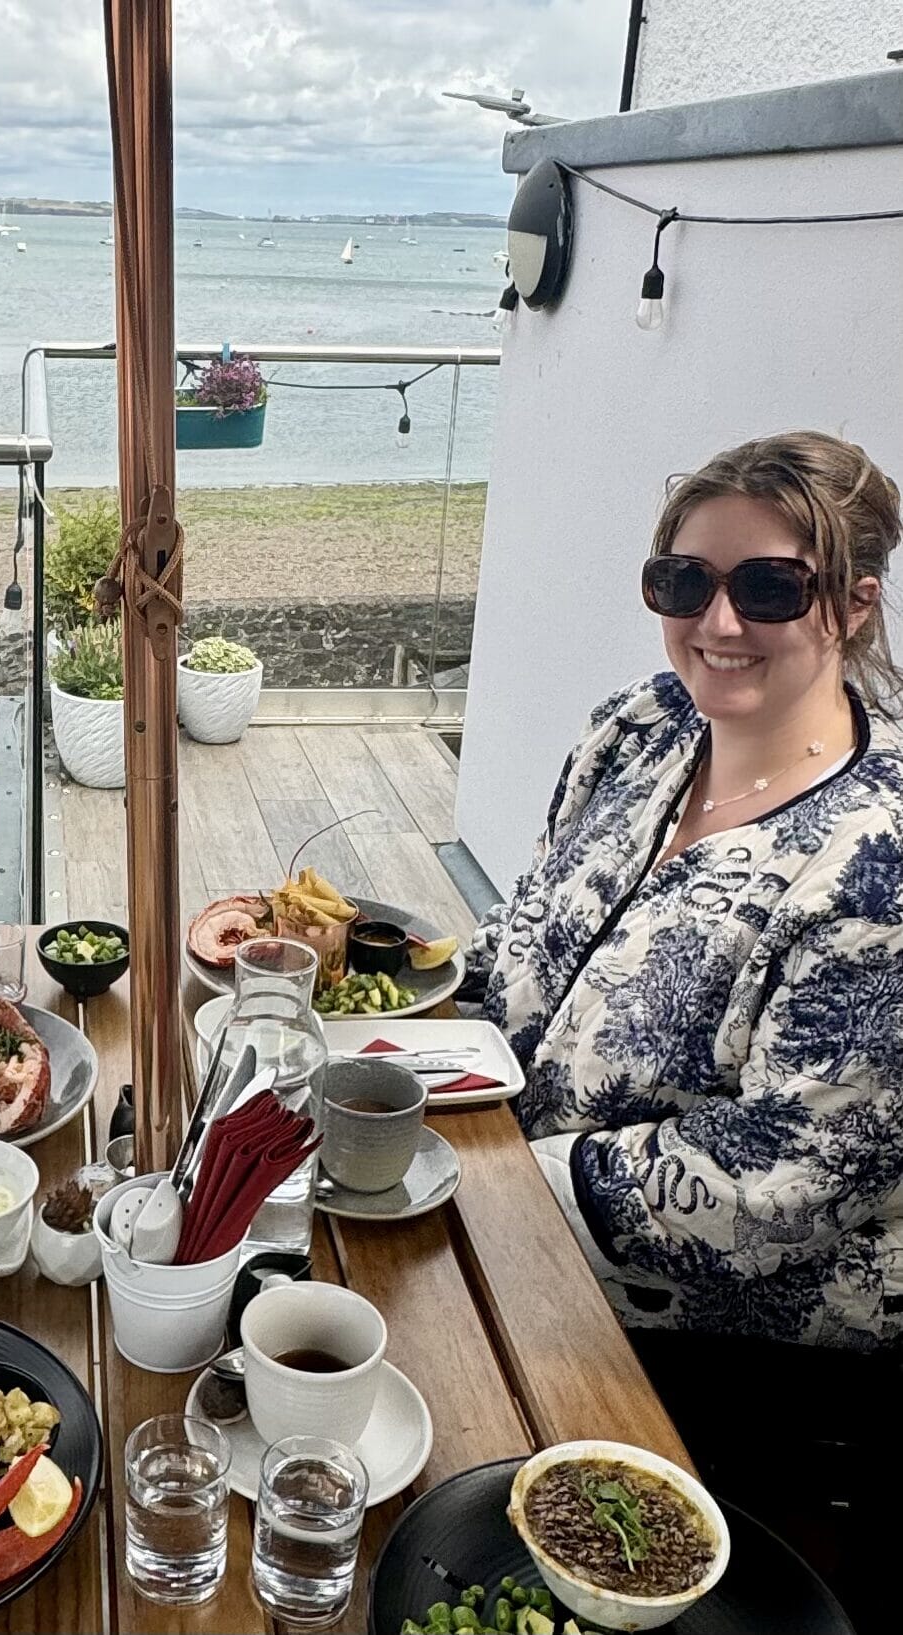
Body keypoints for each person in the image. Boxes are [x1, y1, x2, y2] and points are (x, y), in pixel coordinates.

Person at [468, 430, 903, 1616]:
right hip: (500, 1210)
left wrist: (504, 1190)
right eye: (683, 581)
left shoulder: (878, 868)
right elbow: (523, 940)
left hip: (714, 1336)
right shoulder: (641, 730)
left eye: (768, 586)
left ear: (853, 607)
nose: (717, 622)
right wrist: (406, 1047)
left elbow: (787, 1185)